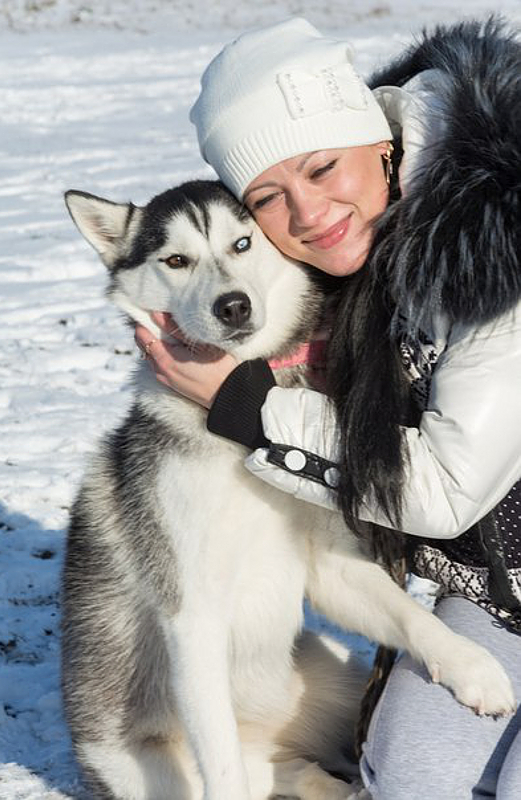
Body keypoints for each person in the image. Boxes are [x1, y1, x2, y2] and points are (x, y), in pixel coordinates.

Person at [135, 17, 521, 799]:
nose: (307, 213)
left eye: (321, 168)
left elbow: (445, 488)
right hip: (503, 589)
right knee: (412, 777)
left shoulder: (492, 236)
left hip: (479, 533)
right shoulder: (352, 242)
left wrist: (243, 405)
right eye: (269, 197)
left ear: (376, 140)